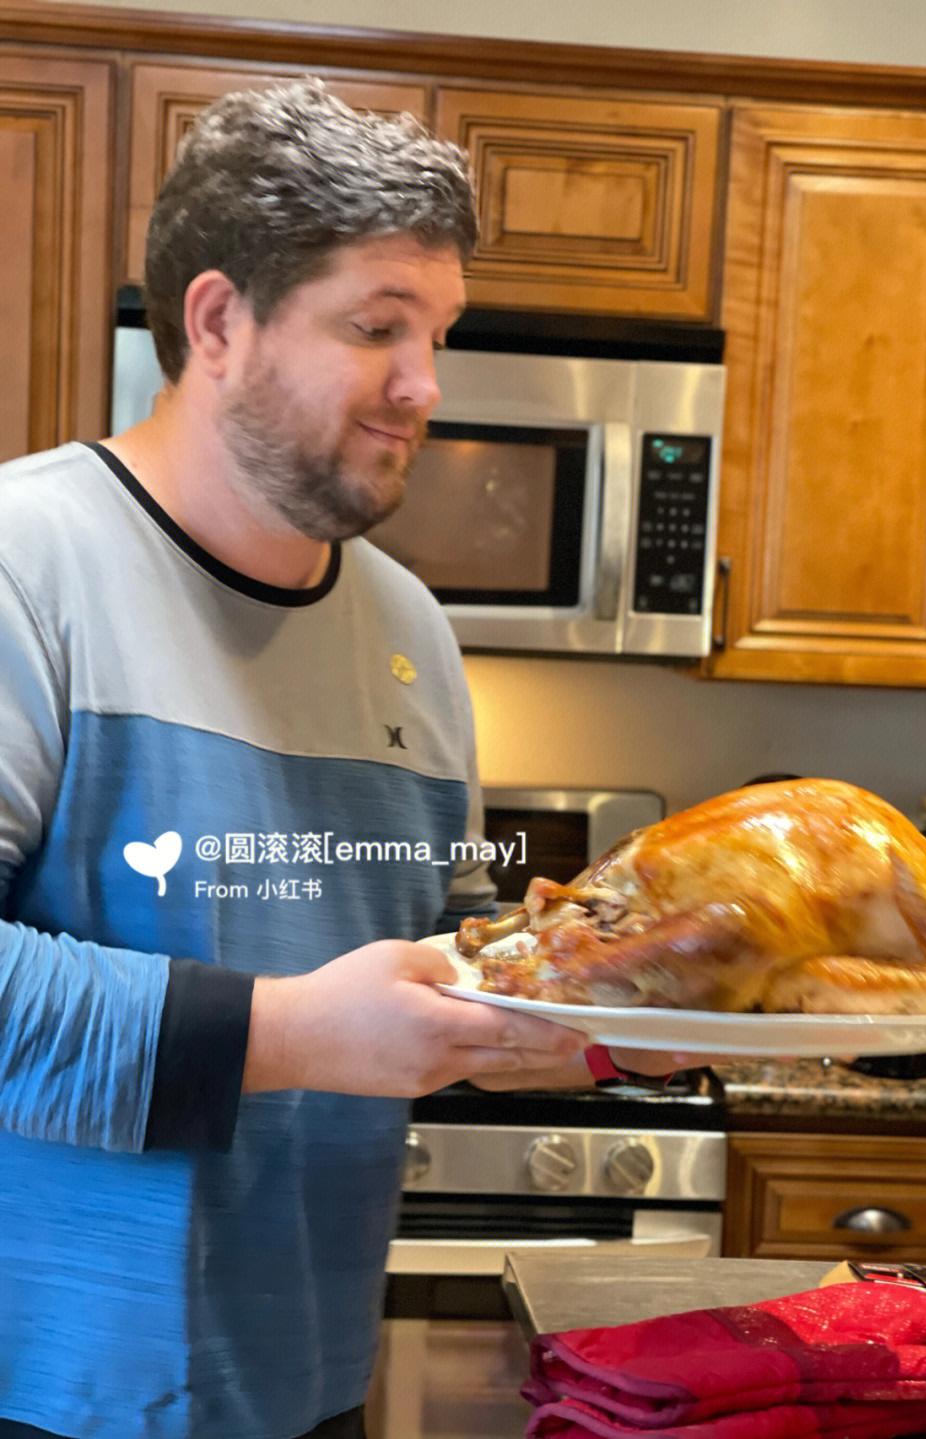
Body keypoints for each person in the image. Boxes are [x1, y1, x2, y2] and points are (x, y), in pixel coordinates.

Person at [0, 79, 678, 1439]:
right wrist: (301, 1031)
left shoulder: (407, 627)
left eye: (437, 333)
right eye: (376, 328)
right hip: (49, 1394)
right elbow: (332, 1027)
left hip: (313, 1382)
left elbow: (437, 982)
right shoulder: (31, 565)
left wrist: (642, 1015)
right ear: (217, 323)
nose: (425, 385)